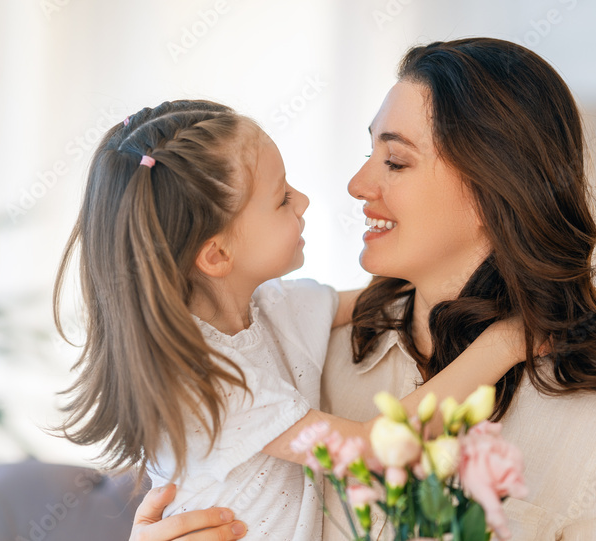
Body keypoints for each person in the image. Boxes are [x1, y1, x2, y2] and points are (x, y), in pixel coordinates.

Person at [130, 38, 596, 541]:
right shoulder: (300, 360)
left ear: (491, 191)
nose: (357, 185)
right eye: (368, 152)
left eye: (395, 161)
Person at [53, 100, 532, 539]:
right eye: (282, 198)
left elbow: (385, 294)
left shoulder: (268, 309)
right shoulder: (206, 379)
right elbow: (370, 452)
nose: (302, 201)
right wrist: (507, 343)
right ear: (217, 254)